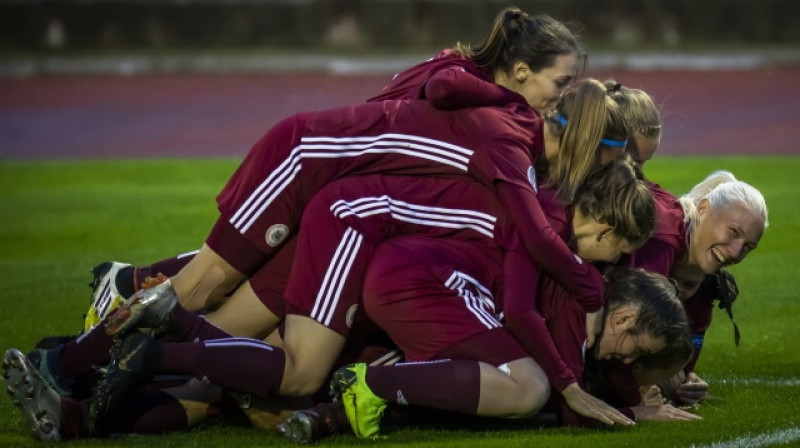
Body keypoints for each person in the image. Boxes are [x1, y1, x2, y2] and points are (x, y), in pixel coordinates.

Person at [83, 5, 589, 330]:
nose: (563, 98)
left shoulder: (478, 91)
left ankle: (129, 287)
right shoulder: (463, 77)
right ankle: (95, 343)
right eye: (561, 83)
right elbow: (440, 91)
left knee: (239, 277)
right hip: (302, 161)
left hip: (335, 184)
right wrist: (513, 102)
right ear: (521, 70)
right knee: (208, 282)